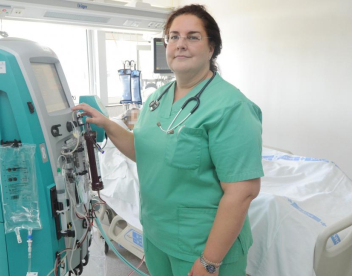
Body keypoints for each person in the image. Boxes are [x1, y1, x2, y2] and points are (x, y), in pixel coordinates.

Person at [73, 4, 263, 276]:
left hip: (202, 246)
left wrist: (209, 262)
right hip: (157, 236)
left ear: (212, 48)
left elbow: (242, 192)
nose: (181, 44)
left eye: (193, 36)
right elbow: (144, 151)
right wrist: (108, 124)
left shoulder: (232, 107)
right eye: (174, 37)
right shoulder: (156, 99)